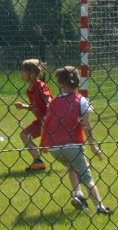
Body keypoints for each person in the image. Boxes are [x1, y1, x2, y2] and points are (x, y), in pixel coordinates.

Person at [41, 66, 112, 216]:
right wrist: (93, 147)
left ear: (60, 84)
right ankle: (100, 207)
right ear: (78, 81)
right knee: (87, 177)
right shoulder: (81, 100)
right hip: (72, 145)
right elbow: (87, 125)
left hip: (54, 148)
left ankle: (77, 194)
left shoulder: (53, 102)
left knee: (71, 165)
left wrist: (43, 144)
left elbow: (46, 123)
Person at [14, 59, 53, 171]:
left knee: (60, 146)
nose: (21, 73)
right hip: (41, 122)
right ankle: (38, 161)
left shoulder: (41, 86)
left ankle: (76, 159)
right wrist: (24, 106)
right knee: (24, 135)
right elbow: (35, 106)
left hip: (51, 121)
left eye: (23, 71)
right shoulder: (29, 90)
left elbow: (49, 102)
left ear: (31, 74)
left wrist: (47, 119)